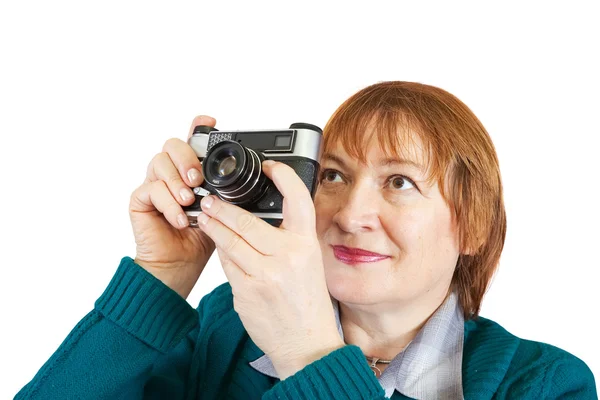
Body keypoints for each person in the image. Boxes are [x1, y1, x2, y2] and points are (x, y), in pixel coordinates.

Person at [15, 81, 597, 399]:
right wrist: (158, 283)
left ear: (471, 224)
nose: (350, 214)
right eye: (335, 176)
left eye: (399, 182)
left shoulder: (544, 385)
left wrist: (311, 358)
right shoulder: (227, 332)